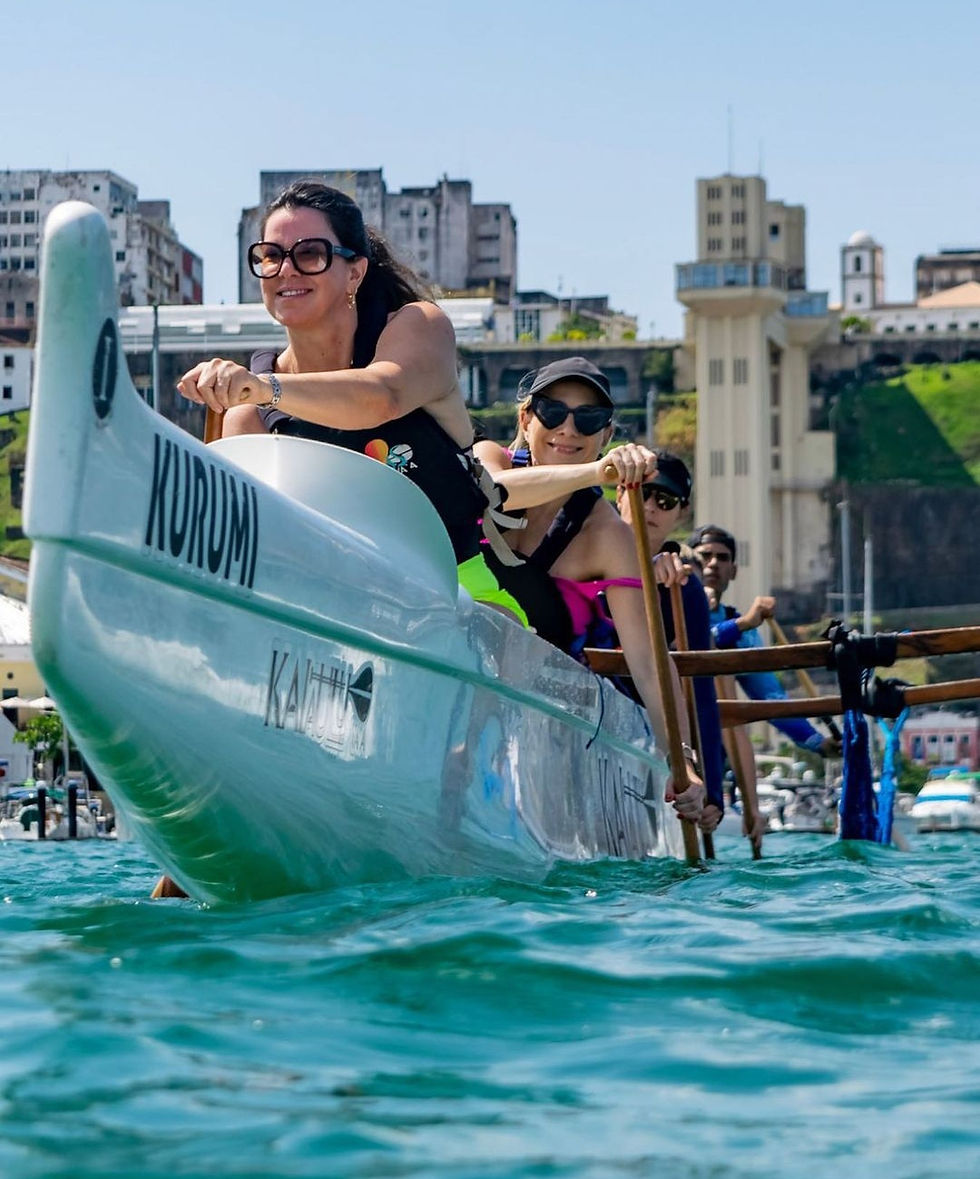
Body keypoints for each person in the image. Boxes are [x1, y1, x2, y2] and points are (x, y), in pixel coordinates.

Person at [176, 179, 525, 624]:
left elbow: (382, 395)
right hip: (330, 618)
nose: (286, 270)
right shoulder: (249, 413)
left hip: (461, 598)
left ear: (355, 272)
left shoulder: (419, 327)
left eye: (309, 254)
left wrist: (266, 389)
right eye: (270, 256)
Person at [474, 357, 704, 824]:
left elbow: (647, 660)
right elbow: (494, 491)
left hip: (543, 722)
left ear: (606, 433)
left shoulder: (608, 535)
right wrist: (595, 472)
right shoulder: (488, 459)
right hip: (458, 683)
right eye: (553, 413)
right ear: (525, 419)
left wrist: (684, 762)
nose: (569, 430)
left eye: (590, 419)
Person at [616, 452, 726, 836]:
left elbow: (700, 689)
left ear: (682, 512)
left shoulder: (682, 587)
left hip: (646, 727)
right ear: (619, 494)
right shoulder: (580, 545)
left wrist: (712, 789)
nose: (649, 507)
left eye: (665, 501)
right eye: (642, 492)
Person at [688, 524, 840, 758]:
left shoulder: (742, 630)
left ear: (734, 571)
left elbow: (770, 698)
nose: (714, 563)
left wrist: (817, 742)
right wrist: (744, 623)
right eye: (705, 556)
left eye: (722, 558)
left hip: (711, 747)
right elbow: (692, 643)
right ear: (690, 565)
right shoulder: (672, 608)